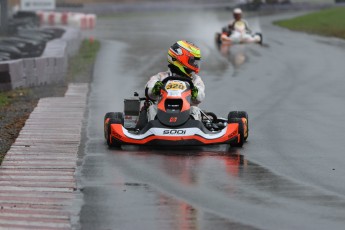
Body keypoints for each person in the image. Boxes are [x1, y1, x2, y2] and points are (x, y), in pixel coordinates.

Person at [145, 40, 205, 123]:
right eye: (192, 61)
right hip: (162, 114)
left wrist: (195, 92)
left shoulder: (195, 80)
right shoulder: (161, 77)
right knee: (152, 108)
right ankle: (152, 128)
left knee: (194, 109)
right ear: (180, 58)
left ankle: (194, 129)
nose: (195, 64)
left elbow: (199, 98)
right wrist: (155, 89)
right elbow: (149, 92)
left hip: (186, 116)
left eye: (195, 61)